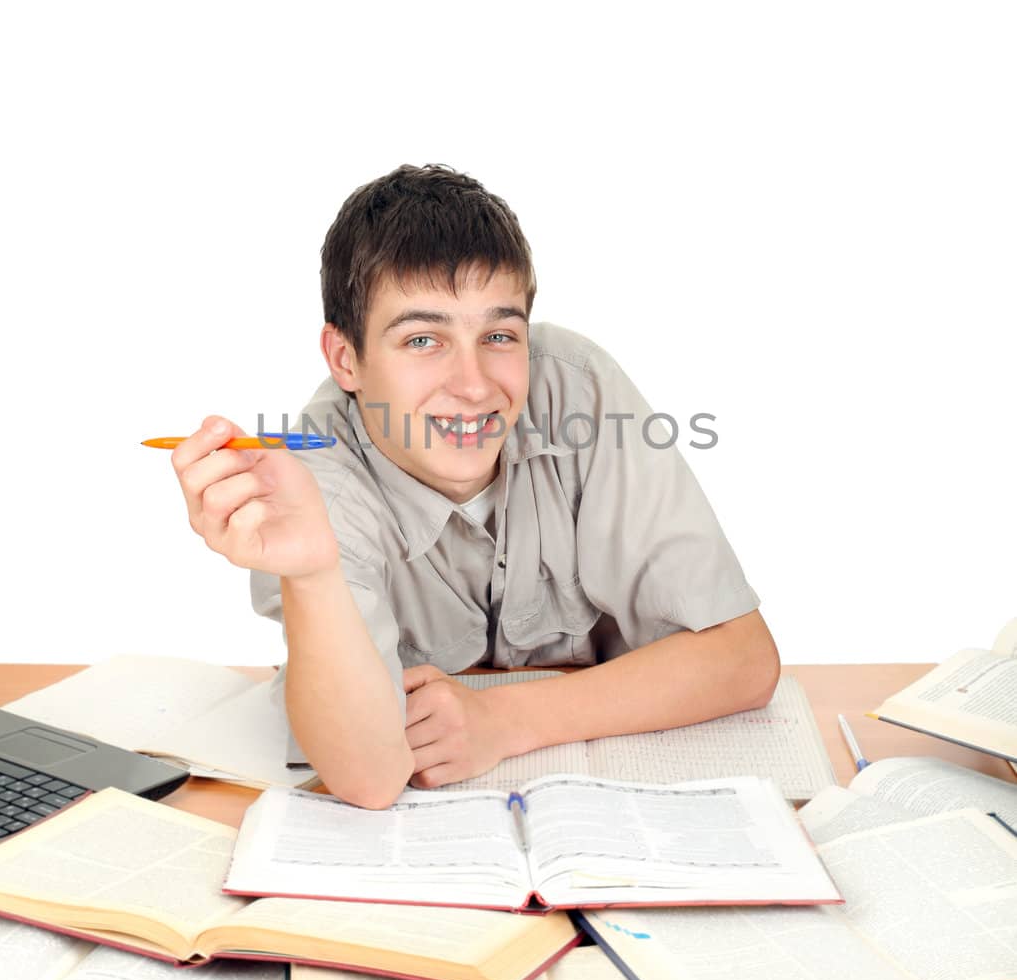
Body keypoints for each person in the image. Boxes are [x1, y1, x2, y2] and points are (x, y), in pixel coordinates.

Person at [171, 165, 779, 807]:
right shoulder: (312, 484)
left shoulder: (577, 388)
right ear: (346, 358)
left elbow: (744, 659)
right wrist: (315, 574)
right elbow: (370, 779)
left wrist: (510, 720)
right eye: (424, 339)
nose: (473, 384)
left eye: (497, 335)